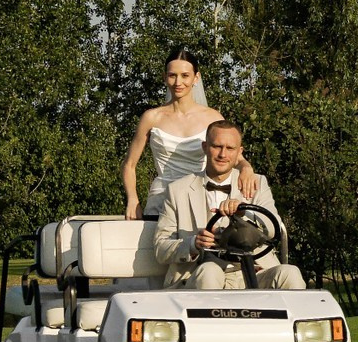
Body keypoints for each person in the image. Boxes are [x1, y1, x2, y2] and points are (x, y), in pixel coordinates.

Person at [154, 120, 306, 291]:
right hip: (201, 273)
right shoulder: (178, 190)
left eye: (230, 148)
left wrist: (244, 212)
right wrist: (193, 243)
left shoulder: (257, 183)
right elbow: (161, 248)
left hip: (253, 272)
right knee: (210, 271)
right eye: (217, 146)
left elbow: (273, 227)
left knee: (290, 273)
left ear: (239, 152)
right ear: (205, 147)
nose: (222, 154)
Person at [120, 50, 254, 219]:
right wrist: (133, 200)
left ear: (195, 78)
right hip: (162, 197)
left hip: (201, 196)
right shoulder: (151, 118)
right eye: (172, 75)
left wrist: (247, 168)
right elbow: (129, 164)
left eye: (185, 75)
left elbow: (234, 157)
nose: (178, 82)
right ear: (165, 77)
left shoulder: (212, 117)